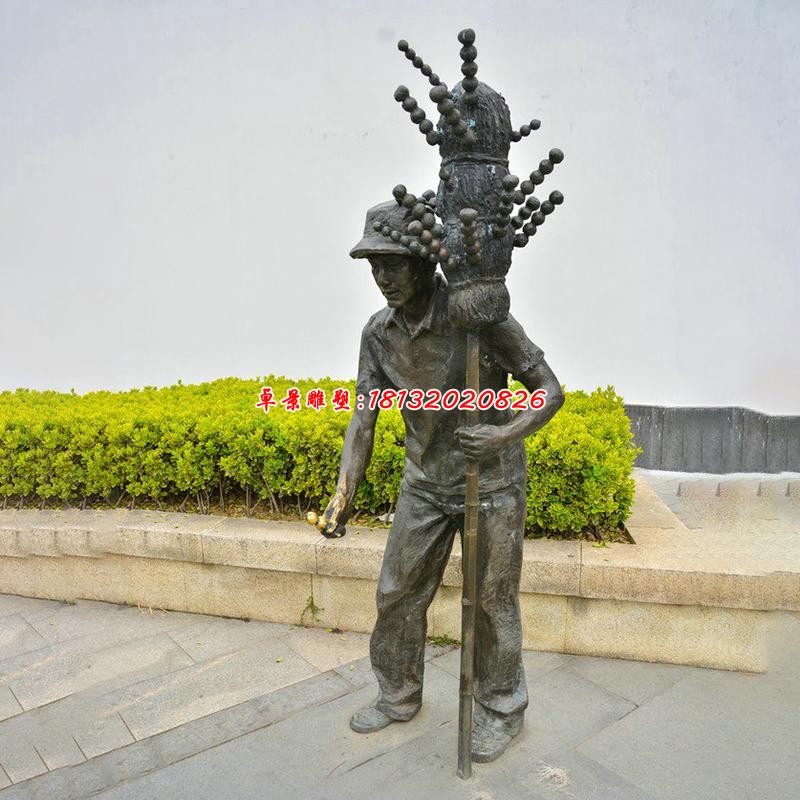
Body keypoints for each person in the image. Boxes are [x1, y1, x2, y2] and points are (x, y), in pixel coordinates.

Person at [319, 198, 564, 763]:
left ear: (424, 262)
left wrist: (503, 435)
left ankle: (500, 708)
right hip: (424, 484)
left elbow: (549, 391)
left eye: (393, 264)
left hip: (491, 484)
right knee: (397, 592)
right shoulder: (378, 334)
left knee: (491, 603)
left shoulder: (477, 317)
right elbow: (364, 414)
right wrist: (344, 491)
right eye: (374, 266)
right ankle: (397, 693)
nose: (383, 278)